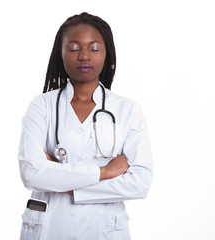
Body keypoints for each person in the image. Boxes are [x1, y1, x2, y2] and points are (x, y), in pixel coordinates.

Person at [18, 12, 153, 240]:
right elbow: (32, 173)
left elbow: (139, 183)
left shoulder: (127, 110)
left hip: (104, 228)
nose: (83, 56)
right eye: (73, 48)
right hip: (51, 226)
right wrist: (105, 172)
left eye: (94, 48)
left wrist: (63, 182)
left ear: (106, 52)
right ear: (60, 54)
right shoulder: (42, 106)